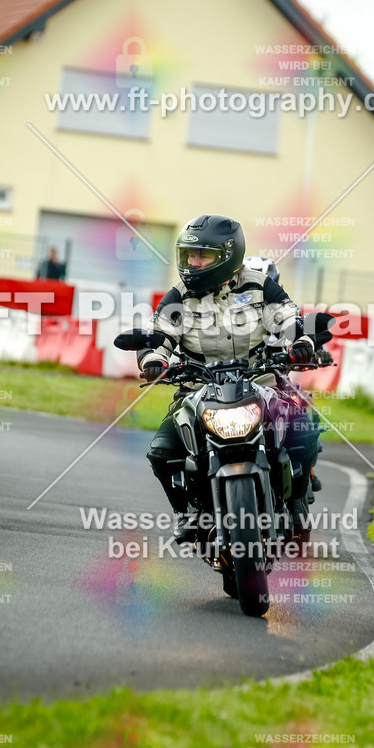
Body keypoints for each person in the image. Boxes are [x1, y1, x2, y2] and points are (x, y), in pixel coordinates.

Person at [138, 215, 320, 540]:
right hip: (196, 392)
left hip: (260, 385)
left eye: (203, 256)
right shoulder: (178, 295)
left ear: (228, 255)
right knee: (161, 452)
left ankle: (295, 501)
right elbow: (157, 334)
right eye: (188, 255)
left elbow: (288, 317)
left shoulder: (259, 286)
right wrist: (154, 360)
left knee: (304, 433)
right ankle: (187, 512)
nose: (193, 263)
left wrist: (301, 342)